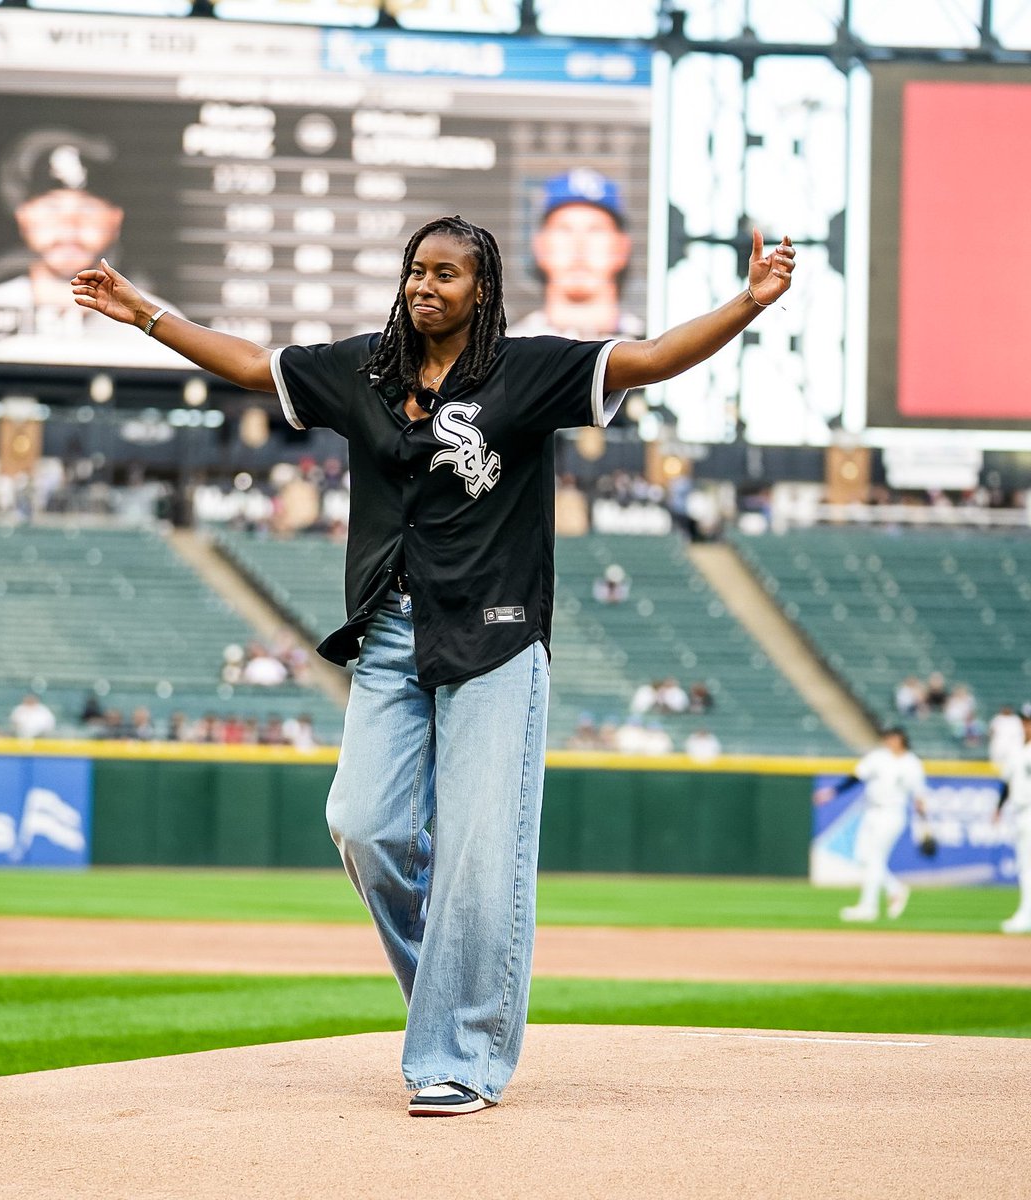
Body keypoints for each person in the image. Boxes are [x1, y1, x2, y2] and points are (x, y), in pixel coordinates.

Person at [72, 211, 795, 1116]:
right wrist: (145, 313)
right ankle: (454, 1007)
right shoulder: (365, 370)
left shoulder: (527, 370)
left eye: (447, 274)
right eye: (418, 270)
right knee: (363, 826)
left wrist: (748, 303)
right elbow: (255, 366)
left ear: (480, 289)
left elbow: (647, 359)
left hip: (493, 637)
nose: (426, 286)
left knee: (479, 856)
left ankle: (459, 1055)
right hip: (389, 635)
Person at [0, 128, 176, 343]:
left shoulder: (160, 323)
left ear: (115, 219)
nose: (69, 225)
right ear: (23, 216)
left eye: (87, 208)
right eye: (52, 208)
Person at [509, 168, 643, 341]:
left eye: (595, 230)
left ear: (621, 247)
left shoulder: (658, 351)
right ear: (539, 245)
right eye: (564, 229)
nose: (579, 244)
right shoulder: (503, 355)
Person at [815, 727, 928, 923]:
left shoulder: (912, 764)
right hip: (870, 811)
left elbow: (919, 796)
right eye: (887, 738)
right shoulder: (878, 757)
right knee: (863, 857)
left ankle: (869, 907)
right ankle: (895, 889)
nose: (888, 741)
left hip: (892, 814)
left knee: (875, 858)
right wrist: (832, 791)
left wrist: (924, 823)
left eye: (892, 738)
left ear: (901, 740)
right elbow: (856, 777)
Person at [994, 706, 1031, 934]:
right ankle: (1025, 913)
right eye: (1025, 721)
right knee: (1025, 866)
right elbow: (1008, 782)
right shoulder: (1017, 750)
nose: (1026, 725)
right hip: (1019, 812)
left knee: (1027, 868)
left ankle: (1025, 916)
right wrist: (998, 808)